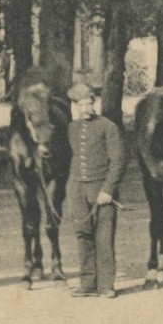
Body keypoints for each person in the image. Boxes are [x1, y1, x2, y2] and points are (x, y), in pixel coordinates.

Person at [64, 81, 125, 298]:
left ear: (94, 103)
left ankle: (106, 285)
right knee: (82, 234)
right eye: (80, 105)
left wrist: (108, 189)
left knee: (104, 237)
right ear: (74, 106)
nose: (85, 109)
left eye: (89, 104)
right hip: (77, 189)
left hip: (101, 190)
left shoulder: (108, 126)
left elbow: (118, 161)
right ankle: (88, 283)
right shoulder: (71, 128)